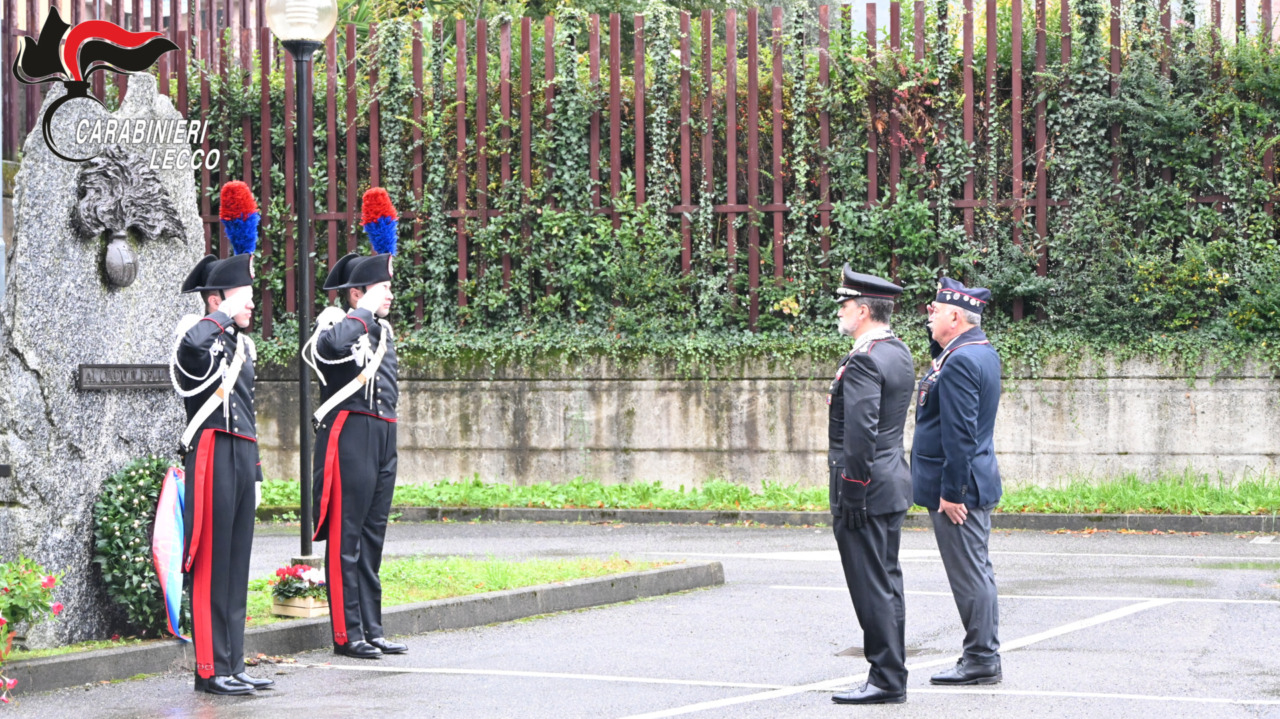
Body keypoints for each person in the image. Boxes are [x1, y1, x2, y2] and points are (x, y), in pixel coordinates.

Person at [171, 181, 273, 695]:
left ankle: (234, 662)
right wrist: (220, 308)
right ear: (217, 298)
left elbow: (248, 413)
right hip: (209, 451)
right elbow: (192, 351)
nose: (253, 303)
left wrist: (255, 471)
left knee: (236, 561)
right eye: (245, 295)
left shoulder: (241, 345)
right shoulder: (197, 333)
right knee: (211, 562)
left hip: (239, 454)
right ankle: (210, 669)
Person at [305, 187, 406, 660]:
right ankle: (348, 633)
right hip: (350, 432)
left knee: (373, 534)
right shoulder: (336, 321)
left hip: (383, 433)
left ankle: (373, 625)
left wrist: (373, 314)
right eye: (382, 288)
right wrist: (362, 311)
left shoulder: (383, 329)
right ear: (357, 293)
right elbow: (326, 353)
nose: (391, 294)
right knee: (346, 535)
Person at [825, 265, 916, 706]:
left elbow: (860, 433)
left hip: (865, 487)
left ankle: (885, 678)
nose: (840, 313)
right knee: (887, 581)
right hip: (890, 481)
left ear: (863, 310)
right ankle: (891, 673)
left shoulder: (864, 358)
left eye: (844, 306)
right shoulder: (897, 351)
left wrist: (852, 491)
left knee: (870, 585)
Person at [911, 277, 1004, 686]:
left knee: (970, 575)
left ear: (955, 315)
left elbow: (961, 434)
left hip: (959, 489)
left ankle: (981, 658)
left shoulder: (963, 359)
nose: (929, 313)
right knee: (975, 571)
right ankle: (981, 656)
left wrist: (952, 493)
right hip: (970, 480)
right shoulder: (972, 351)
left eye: (935, 308)